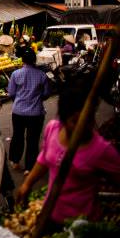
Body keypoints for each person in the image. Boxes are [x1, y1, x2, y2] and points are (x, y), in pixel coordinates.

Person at [16, 86, 120, 229]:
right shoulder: (53, 129)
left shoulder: (101, 150)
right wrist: (27, 184)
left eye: (88, 119)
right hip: (50, 215)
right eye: (74, 121)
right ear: (63, 119)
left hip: (82, 225)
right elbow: (45, 158)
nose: (82, 126)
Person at [7, 50, 51, 174]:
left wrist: (20, 101)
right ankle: (29, 168)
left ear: (22, 60)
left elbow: (11, 93)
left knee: (17, 136)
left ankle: (15, 161)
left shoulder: (16, 74)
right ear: (34, 60)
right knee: (32, 140)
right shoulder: (42, 75)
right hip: (36, 113)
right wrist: (37, 98)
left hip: (18, 112)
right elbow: (46, 93)